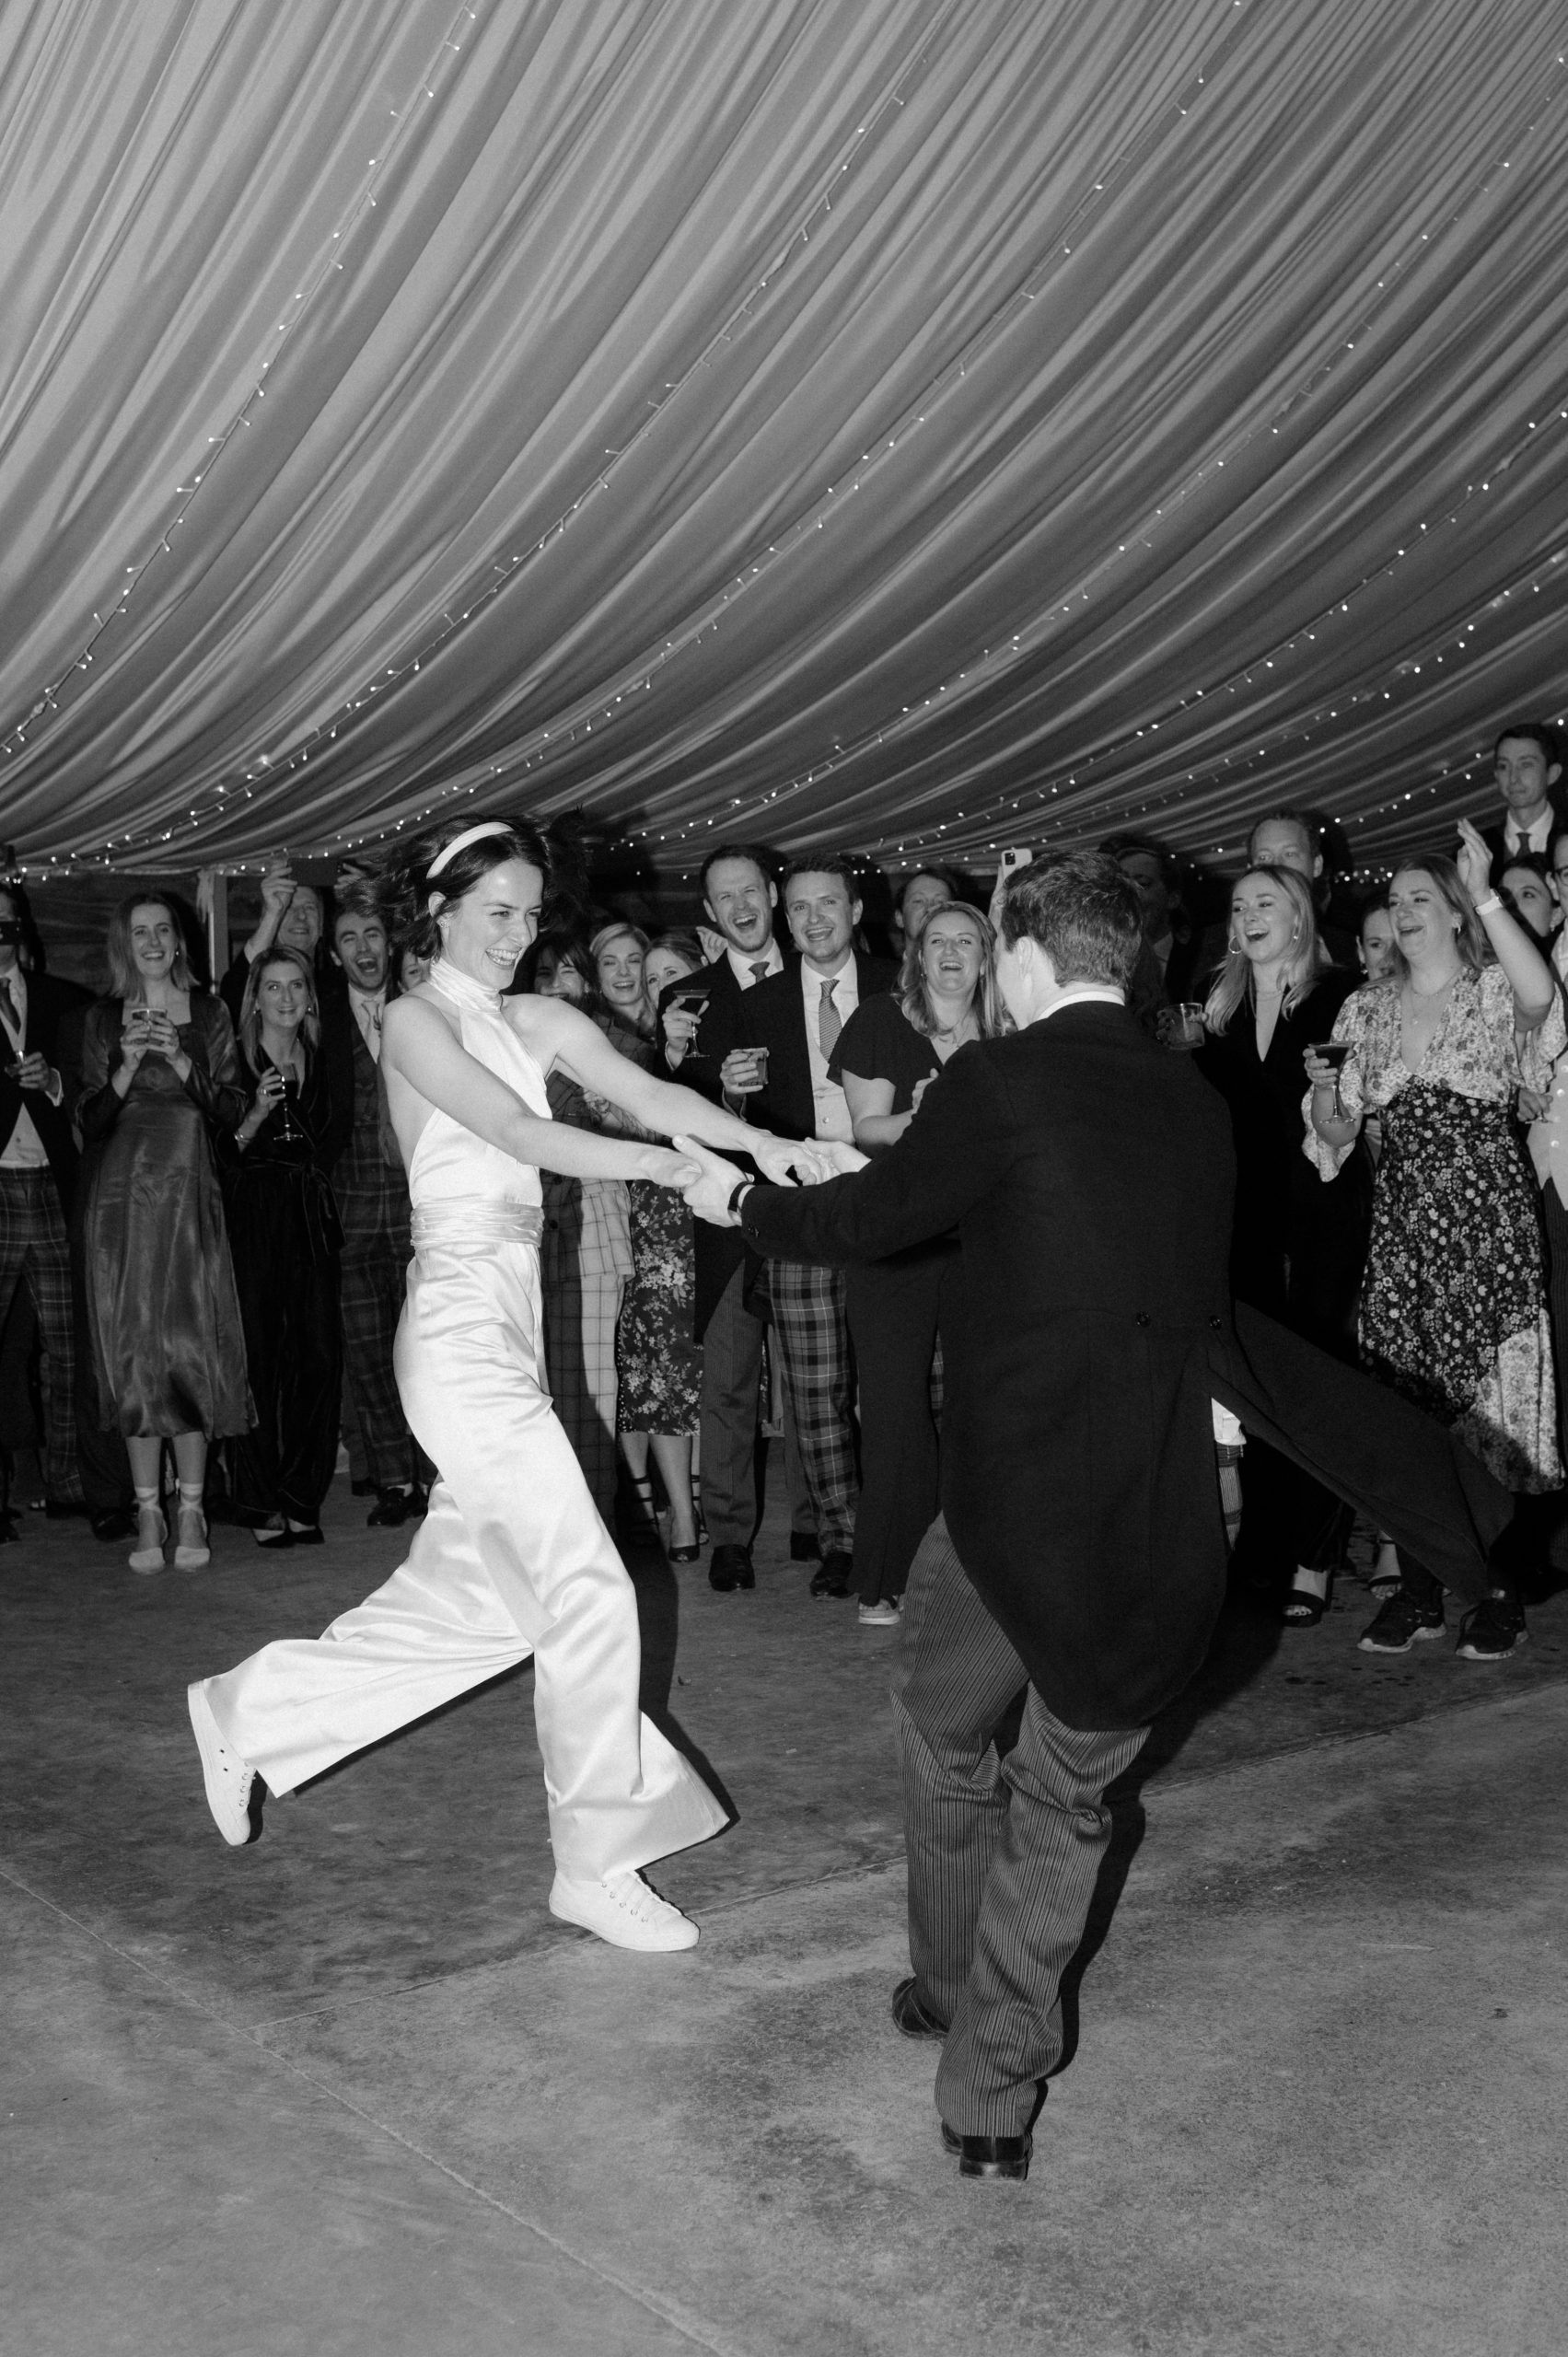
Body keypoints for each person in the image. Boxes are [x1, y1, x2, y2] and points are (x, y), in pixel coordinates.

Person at [676, 850, 1240, 2178]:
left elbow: (881, 1218)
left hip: (1006, 1515)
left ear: (1023, 960)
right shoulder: (1190, 1103)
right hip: (1151, 1518)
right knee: (1065, 1804)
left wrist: (745, 1202)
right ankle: (985, 2095)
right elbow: (1029, 1218)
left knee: (940, 1726)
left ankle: (943, 1982)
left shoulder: (998, 1077)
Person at [187, 815, 810, 1952]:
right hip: (460, 1323)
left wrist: (767, 1149)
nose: (518, 934)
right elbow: (520, 1129)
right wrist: (679, 1170)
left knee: (475, 1609)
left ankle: (248, 1711)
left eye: (529, 912)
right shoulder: (419, 1024)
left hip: (511, 1319)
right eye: (496, 913)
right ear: (440, 912)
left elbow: (649, 1092)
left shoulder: (536, 1014)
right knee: (587, 1590)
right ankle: (593, 1859)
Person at [1306, 821, 1563, 1660]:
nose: (1402, 910)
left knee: (1488, 1413)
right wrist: (1322, 1097)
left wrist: (1489, 890)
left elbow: (1539, 1000)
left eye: (1421, 897)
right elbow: (1337, 1131)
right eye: (1392, 900)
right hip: (1404, 1229)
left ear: (1455, 914)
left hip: (1486, 1220)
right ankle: (1417, 1589)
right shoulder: (1364, 1008)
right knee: (1405, 1412)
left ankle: (1498, 1590)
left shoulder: (1492, 991)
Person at [1194, 867, 1367, 1622]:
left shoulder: (1341, 997)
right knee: (1256, 1388)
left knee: (1318, 1383)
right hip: (1242, 1221)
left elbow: (1349, 1120)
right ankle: (1264, 1549)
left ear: (1299, 917)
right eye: (1239, 906)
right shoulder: (1215, 1006)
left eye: (1265, 902)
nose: (1249, 915)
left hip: (1323, 1212)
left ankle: (1313, 1558)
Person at [829, 901, 1006, 1625]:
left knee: (984, 1402)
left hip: (981, 1236)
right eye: (939, 942)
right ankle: (887, 1579)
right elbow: (867, 1131)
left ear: (987, 956)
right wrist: (925, 1114)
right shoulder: (881, 1019)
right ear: (918, 954)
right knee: (896, 1407)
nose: (953, 954)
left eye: (967, 942)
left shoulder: (1007, 1030)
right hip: (895, 1233)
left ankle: (977, 1577)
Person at [731, 858, 897, 1595]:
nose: (814, 919)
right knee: (814, 1385)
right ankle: (843, 1537)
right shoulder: (755, 1002)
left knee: (903, 1380)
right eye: (799, 908)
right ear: (783, 916)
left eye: (828, 903)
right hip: (801, 1209)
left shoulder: (903, 984)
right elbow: (726, 1114)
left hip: (894, 1202)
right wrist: (733, 1104)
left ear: (856, 910)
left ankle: (909, 1527)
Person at [77, 897, 250, 1573]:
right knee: (135, 1354)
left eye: (162, 931)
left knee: (190, 1346)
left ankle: (193, 1507)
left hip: (188, 1193)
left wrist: (184, 1066)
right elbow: (89, 1122)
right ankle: (149, 1508)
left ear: (180, 941)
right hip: (121, 1201)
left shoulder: (208, 1014)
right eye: (139, 933)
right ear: (126, 944)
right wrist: (122, 1068)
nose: (152, 942)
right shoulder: (100, 1017)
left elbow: (235, 1112)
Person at [659, 842, 811, 1594]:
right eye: (725, 898)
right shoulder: (687, 1000)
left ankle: (819, 1521)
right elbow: (668, 1115)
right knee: (727, 1379)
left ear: (773, 895)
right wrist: (716, 1089)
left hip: (810, 1205)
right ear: (710, 914)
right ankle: (729, 1536)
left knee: (817, 1375)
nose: (742, 906)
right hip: (723, 1214)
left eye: (751, 891)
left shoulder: (826, 977)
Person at [221, 948, 351, 1546]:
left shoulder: (325, 1058)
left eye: (295, 985)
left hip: (308, 1213)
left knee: (319, 1356)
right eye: (272, 987)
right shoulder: (233, 1057)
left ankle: (302, 1494)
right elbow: (219, 1153)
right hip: (251, 1214)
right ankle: (258, 1497)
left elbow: (338, 1134)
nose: (285, 997)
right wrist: (255, 1114)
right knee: (259, 1359)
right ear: (256, 997)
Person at [328, 882, 426, 1525]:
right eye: (348, 940)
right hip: (350, 1213)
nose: (363, 949)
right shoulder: (316, 1016)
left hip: (422, 1206)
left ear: (389, 942)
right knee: (368, 1353)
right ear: (333, 955)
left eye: (371, 935)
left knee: (428, 1347)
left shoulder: (423, 1009)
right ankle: (395, 1479)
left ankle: (439, 1473)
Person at [613, 932, 707, 1559]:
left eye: (673, 974)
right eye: (652, 980)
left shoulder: (729, 1040)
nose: (660, 988)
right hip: (647, 1222)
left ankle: (690, 1501)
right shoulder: (636, 1055)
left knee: (698, 1367)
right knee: (649, 1367)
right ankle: (666, 1510)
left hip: (710, 1217)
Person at [0, 880, 86, 1519]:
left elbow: (93, 1083)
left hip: (54, 1185)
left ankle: (69, 1482)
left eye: (5, 924)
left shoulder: (63, 1002)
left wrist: (55, 1080)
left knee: (68, 1344)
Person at [1244, 811, 1357, 964]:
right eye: (1264, 857)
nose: (1277, 865)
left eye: (1290, 854)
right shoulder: (1212, 949)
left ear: (1317, 865)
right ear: (1250, 869)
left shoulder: (1347, 947)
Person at [1478, 723, 1566, 872]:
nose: (1513, 778)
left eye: (1525, 765)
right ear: (1496, 775)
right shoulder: (1477, 850)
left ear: (1552, 773)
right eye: (1503, 766)